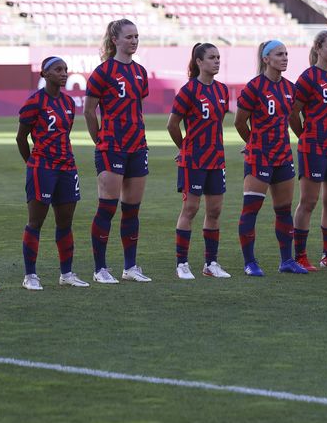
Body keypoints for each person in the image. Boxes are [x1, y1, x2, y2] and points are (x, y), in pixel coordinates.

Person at [84, 19, 152, 284]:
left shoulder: (140, 72)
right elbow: (89, 111)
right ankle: (100, 269)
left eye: (136, 36)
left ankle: (130, 267)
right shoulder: (103, 72)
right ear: (115, 40)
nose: (134, 41)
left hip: (137, 146)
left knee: (132, 210)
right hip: (112, 146)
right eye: (129, 37)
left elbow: (136, 107)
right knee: (107, 208)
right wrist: (99, 140)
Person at [235, 40, 307, 276]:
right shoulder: (254, 87)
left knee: (284, 210)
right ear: (266, 59)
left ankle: (287, 261)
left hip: (283, 155)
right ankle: (250, 263)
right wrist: (253, 144)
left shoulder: (290, 87)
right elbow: (240, 122)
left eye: (286, 54)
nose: (285, 58)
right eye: (279, 54)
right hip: (260, 157)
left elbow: (291, 118)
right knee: (251, 210)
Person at [17, 56, 90, 290]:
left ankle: (66, 273)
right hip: (42, 168)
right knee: (35, 222)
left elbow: (64, 134)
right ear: (45, 74)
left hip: (67, 167)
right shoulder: (34, 102)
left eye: (65, 69)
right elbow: (21, 137)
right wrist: (32, 163)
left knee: (65, 223)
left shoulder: (69, 103)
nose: (64, 73)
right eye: (58, 69)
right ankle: (30, 276)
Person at [167, 43, 231, 279]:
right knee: (190, 209)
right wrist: (183, 148)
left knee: (214, 211)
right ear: (199, 62)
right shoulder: (188, 90)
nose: (216, 61)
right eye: (212, 58)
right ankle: (182, 264)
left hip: (216, 159)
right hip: (194, 160)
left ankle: (210, 263)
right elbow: (172, 124)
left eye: (218, 57)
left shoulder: (222, 90)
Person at [289, 30, 327, 271]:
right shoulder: (308, 78)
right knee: (308, 201)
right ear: (318, 49)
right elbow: (294, 111)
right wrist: (304, 135)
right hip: (314, 146)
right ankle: (301, 256)